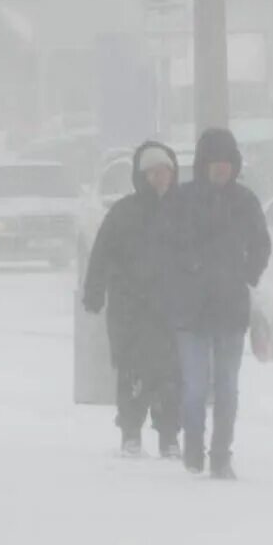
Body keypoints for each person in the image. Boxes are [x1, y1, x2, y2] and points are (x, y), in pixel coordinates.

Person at [164, 126, 270, 481]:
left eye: (227, 162)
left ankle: (221, 455)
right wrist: (186, 272)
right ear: (203, 164)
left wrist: (247, 274)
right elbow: (165, 246)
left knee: (226, 387)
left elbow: (261, 244)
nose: (221, 169)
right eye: (215, 162)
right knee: (195, 387)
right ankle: (193, 448)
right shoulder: (181, 200)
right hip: (190, 312)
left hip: (230, 310)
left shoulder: (245, 202)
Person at [82, 140, 182, 459]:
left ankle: (169, 436)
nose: (159, 178)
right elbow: (101, 255)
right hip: (130, 312)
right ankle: (131, 433)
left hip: (172, 311)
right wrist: (94, 291)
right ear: (141, 176)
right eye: (152, 172)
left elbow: (202, 255)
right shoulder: (123, 213)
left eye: (164, 171)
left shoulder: (185, 212)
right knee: (133, 373)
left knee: (171, 376)